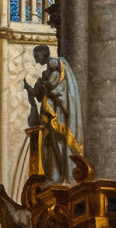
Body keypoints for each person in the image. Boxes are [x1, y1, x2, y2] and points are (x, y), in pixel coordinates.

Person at [23, 45, 83, 185]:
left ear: (43, 54)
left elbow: (56, 88)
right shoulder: (47, 73)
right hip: (48, 117)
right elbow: (39, 95)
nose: (37, 62)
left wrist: (46, 84)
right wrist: (29, 88)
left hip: (59, 116)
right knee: (50, 148)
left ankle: (67, 176)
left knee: (61, 145)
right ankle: (55, 176)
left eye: (37, 57)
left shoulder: (56, 67)